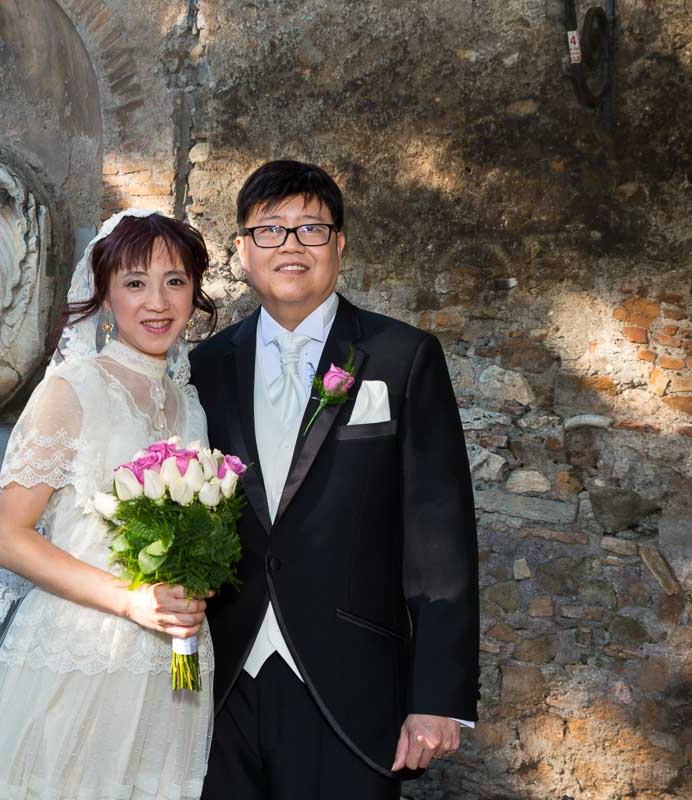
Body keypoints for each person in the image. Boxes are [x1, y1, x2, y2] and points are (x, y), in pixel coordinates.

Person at [189, 160, 480, 800]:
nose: (290, 245)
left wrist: (438, 697)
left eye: (310, 228)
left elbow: (440, 535)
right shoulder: (204, 367)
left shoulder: (403, 357)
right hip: (219, 684)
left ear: (339, 245)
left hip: (352, 686)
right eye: (270, 229)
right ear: (242, 250)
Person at [0, 210, 220, 799]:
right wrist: (132, 600)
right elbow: (6, 539)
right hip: (79, 655)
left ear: (194, 291)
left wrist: (193, 583)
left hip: (168, 670)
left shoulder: (189, 405)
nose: (158, 302)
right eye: (135, 283)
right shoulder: (73, 389)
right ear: (105, 295)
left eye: (175, 281)